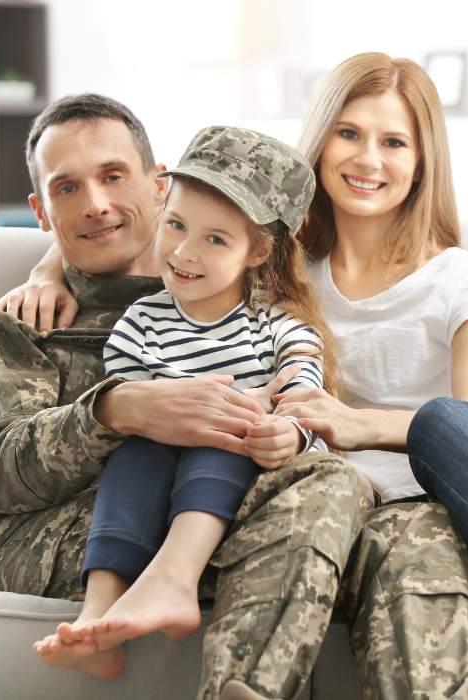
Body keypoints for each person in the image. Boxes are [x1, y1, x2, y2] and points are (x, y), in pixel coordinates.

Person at [0, 93, 468, 700]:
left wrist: (298, 426)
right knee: (313, 478)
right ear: (39, 208)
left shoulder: (264, 296)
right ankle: (147, 615)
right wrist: (118, 408)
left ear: (155, 184)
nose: (96, 204)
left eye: (114, 176)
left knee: (387, 520)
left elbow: (304, 384)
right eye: (67, 189)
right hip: (102, 530)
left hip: (267, 498)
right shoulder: (23, 320)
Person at [264, 53, 468, 699]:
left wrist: (359, 425)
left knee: (451, 422)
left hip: (453, 501)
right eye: (349, 133)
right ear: (319, 141)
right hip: (325, 500)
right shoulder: (273, 269)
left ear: (422, 161)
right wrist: (46, 270)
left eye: (393, 142)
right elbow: (157, 239)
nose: (368, 159)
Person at [34, 125, 338, 675]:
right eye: (175, 224)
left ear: (258, 250)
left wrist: (287, 430)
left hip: (239, 455)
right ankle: (99, 615)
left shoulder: (275, 326)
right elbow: (133, 397)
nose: (184, 251)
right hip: (155, 453)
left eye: (215, 239)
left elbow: (304, 390)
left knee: (224, 432)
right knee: (134, 453)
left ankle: (174, 578)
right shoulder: (141, 322)